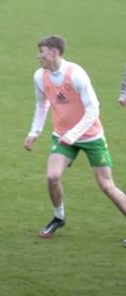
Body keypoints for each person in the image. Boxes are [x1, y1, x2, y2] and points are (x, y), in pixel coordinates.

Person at [23, 35, 126, 241]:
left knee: (106, 185)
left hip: (91, 136)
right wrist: (34, 132)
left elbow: (93, 109)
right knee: (52, 177)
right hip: (62, 137)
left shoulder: (76, 74)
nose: (38, 56)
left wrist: (73, 135)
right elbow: (42, 105)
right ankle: (59, 217)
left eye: (41, 52)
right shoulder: (39, 76)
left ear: (54, 52)